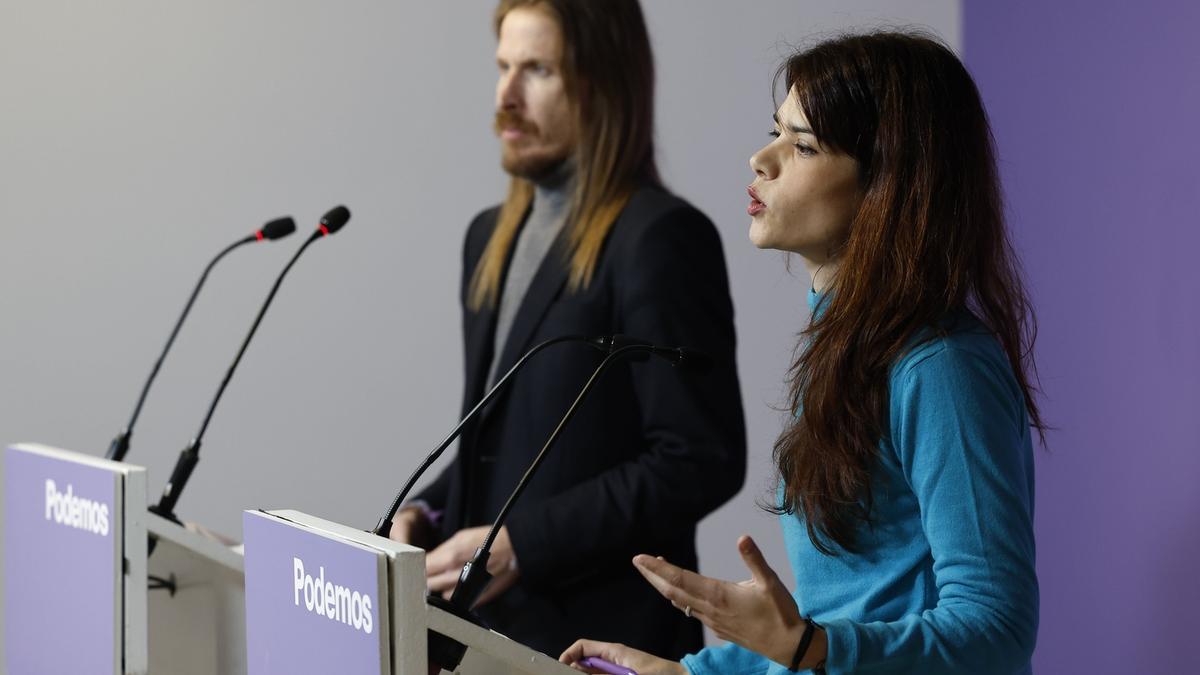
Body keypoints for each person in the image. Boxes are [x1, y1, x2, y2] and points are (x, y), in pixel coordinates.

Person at [561, 31, 1043, 675]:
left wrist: (808, 646)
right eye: (776, 132)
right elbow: (840, 630)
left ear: (889, 185)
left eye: (804, 145)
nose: (762, 159)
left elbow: (996, 631)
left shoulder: (941, 367)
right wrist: (686, 673)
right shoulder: (845, 349)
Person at [388, 0, 747, 660]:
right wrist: (426, 514)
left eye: (538, 70)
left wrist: (524, 541)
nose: (506, 95)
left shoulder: (660, 238)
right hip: (486, 641)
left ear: (601, 81)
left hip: (604, 642)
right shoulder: (488, 237)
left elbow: (699, 457)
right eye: (502, 67)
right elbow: (510, 446)